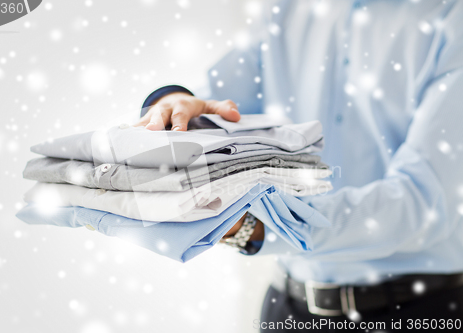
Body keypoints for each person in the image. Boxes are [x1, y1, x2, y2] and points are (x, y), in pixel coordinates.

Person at [135, 0, 463, 331]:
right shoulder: (286, 7)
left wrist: (262, 227)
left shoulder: (452, 19)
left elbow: (422, 202)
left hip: (417, 313)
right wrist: (174, 103)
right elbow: (218, 108)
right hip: (287, 310)